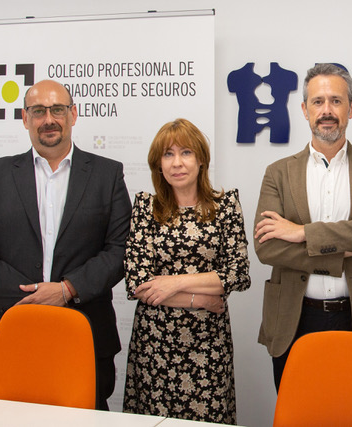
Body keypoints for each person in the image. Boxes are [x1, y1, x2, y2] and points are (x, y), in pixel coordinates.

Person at [0, 79, 132, 410]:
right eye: (38, 111)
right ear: (25, 118)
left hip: (85, 333)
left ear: (73, 114)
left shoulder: (107, 174)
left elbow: (120, 249)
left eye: (57, 110)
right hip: (11, 330)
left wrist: (67, 289)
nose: (48, 119)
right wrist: (31, 297)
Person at [254, 63, 352, 391]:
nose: (327, 110)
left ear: (351, 108)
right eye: (318, 101)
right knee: (299, 412)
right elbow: (267, 247)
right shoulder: (278, 173)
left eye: (336, 101)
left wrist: (302, 233)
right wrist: (345, 249)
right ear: (304, 110)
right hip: (296, 320)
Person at [122, 118, 250, 423]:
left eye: (186, 153)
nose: (177, 163)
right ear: (158, 164)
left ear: (201, 159)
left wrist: (173, 283)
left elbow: (238, 274)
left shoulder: (225, 206)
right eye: (168, 154)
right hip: (154, 345)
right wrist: (199, 299)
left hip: (208, 345)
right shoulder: (146, 208)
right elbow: (137, 282)